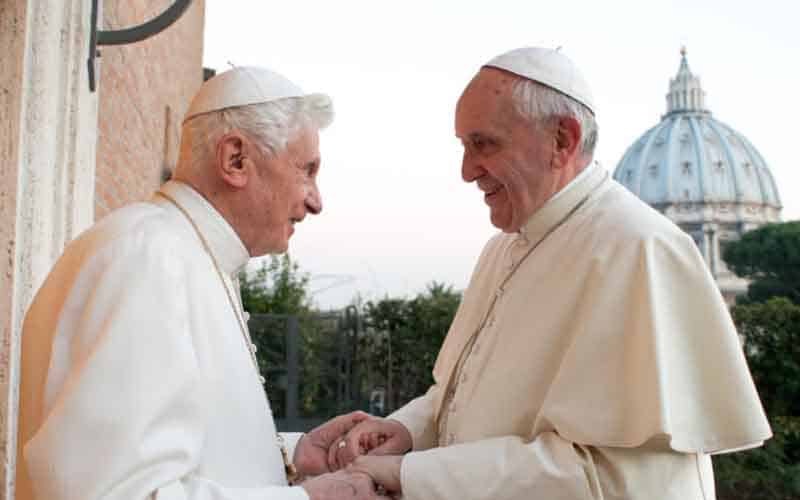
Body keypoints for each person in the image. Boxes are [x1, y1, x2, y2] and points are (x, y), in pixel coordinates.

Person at [331, 47, 772, 499]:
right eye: (463, 146)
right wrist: (406, 431)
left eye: (483, 144)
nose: (466, 171)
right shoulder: (501, 249)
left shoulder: (638, 249)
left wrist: (410, 475)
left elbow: (610, 477)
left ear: (562, 139)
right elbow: (463, 398)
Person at [16, 66, 389, 500]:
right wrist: (311, 498)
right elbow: (117, 493)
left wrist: (293, 458)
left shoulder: (182, 254)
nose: (315, 200)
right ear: (236, 159)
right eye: (307, 170)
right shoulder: (150, 258)